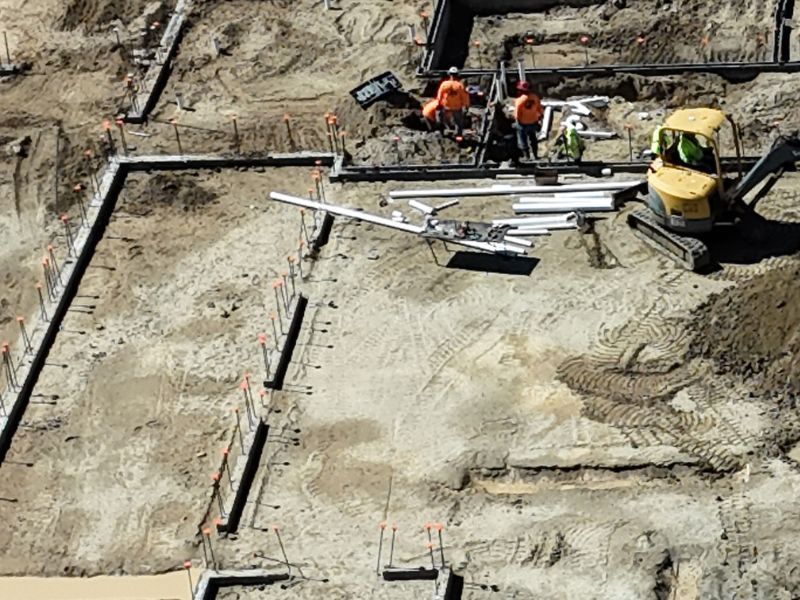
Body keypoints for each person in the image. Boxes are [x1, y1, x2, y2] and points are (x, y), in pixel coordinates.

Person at [436, 66, 470, 135]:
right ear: (457, 75)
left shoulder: (444, 84)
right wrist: (466, 105)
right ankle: (458, 136)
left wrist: (438, 103)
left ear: (449, 74)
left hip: (446, 106)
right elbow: (464, 97)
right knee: (458, 123)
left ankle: (441, 132)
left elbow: (439, 95)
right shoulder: (460, 86)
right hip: (456, 107)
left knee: (440, 118)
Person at [513, 81, 543, 159]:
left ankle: (527, 156)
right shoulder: (535, 97)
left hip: (523, 123)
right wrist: (539, 118)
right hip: (533, 122)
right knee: (533, 139)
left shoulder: (519, 100)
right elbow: (540, 109)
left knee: (523, 140)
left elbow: (517, 115)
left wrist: (517, 122)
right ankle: (535, 155)